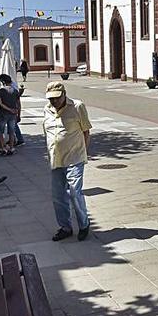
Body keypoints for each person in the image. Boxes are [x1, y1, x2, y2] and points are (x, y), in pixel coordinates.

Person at [43, 82, 92, 241]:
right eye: (51, 99)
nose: (54, 101)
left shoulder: (77, 107)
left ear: (64, 94)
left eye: (57, 98)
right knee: (58, 196)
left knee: (74, 192)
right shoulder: (47, 109)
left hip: (75, 157)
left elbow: (86, 131)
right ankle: (65, 227)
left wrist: (84, 152)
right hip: (56, 159)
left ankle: (84, 224)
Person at [0, 74, 21, 156]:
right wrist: (18, 114)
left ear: (3, 81)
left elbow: (0, 103)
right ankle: (11, 148)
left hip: (3, 114)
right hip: (13, 114)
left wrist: (9, 109)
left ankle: (3, 148)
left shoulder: (0, 91)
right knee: (11, 131)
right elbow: (19, 104)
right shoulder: (15, 91)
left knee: (0, 131)